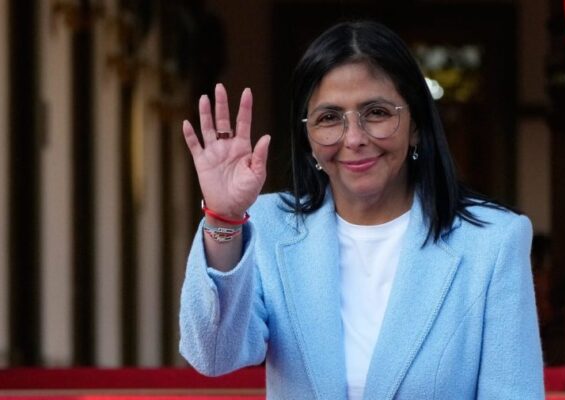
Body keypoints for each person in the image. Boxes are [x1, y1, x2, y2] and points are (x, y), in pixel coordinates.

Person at [179, 20, 544, 399]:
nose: (354, 139)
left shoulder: (493, 241)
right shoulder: (270, 227)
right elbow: (213, 355)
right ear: (308, 137)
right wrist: (224, 219)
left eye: (377, 113)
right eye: (328, 118)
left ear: (416, 125)